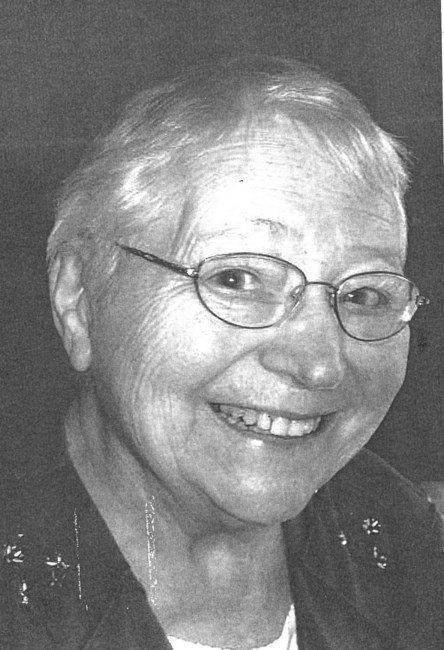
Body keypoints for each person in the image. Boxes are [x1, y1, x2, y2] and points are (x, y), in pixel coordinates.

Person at [1, 56, 443, 649]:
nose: (319, 364)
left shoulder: (408, 550)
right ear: (78, 297)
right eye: (236, 279)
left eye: (365, 294)